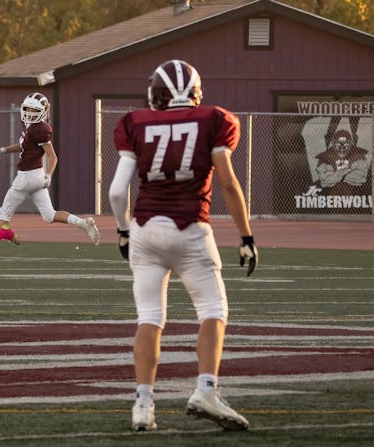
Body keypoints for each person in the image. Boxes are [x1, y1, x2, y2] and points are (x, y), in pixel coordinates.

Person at [108, 60, 258, 431]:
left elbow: (115, 191)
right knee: (212, 309)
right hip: (191, 228)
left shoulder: (135, 123)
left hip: (144, 229)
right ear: (195, 93)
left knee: (149, 318)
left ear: (155, 93)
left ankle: (143, 404)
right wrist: (246, 237)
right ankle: (205, 388)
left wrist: (123, 231)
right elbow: (227, 184)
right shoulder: (214, 120)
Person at [0, 92, 100, 259]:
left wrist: (49, 175)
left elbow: (53, 156)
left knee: (4, 213)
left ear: (43, 112)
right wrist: (5, 150)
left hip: (27, 177)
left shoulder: (41, 129)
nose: (30, 113)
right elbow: (24, 146)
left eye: (34, 110)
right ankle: (83, 224)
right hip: (36, 177)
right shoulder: (30, 126)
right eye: (28, 109)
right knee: (49, 215)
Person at [315, 129, 369, 195]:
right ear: (333, 143)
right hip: (329, 193)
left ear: (350, 143)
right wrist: (349, 170)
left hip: (355, 193)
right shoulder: (325, 156)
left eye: (345, 143)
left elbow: (359, 178)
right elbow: (326, 180)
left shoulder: (358, 155)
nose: (342, 147)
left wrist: (335, 174)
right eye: (338, 143)